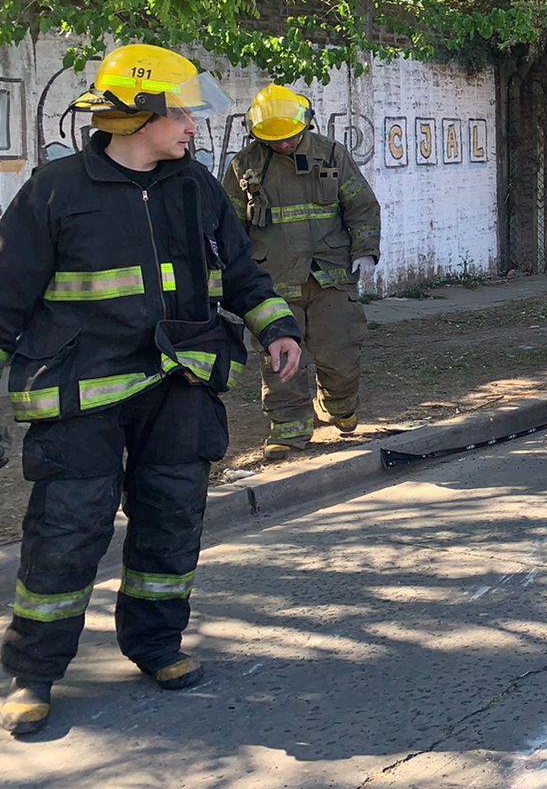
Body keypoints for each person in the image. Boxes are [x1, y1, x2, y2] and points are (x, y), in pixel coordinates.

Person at [0, 45, 302, 736]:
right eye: (183, 113)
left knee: (171, 522)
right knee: (66, 532)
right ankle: (34, 672)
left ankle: (156, 646)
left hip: (180, 383)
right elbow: (6, 298)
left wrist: (276, 327)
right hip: (84, 393)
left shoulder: (195, 187)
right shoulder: (55, 192)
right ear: (139, 116)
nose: (194, 125)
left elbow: (244, 271)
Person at [221, 85, 381, 458]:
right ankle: (289, 430)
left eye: (291, 137)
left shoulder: (331, 155)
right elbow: (228, 227)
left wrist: (365, 251)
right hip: (272, 282)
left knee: (341, 351)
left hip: (331, 276)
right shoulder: (244, 167)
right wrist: (234, 279)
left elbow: (362, 206)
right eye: (275, 140)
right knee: (278, 361)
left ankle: (339, 405)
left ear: (305, 125)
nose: (285, 145)